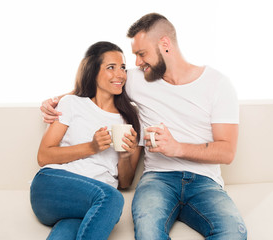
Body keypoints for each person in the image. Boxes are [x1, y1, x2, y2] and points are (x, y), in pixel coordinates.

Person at [40, 13, 247, 240]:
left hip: (205, 182)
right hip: (158, 178)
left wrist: (176, 148)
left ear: (164, 45)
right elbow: (98, 83)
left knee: (233, 233)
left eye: (142, 54)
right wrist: (56, 100)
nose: (137, 63)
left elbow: (227, 152)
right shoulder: (138, 79)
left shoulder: (217, 84)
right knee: (148, 232)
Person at [31, 41, 142, 240]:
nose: (120, 74)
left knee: (65, 233)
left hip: (89, 201)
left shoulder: (131, 116)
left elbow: (125, 182)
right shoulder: (71, 103)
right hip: (53, 186)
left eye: (123, 68)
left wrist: (125, 156)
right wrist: (91, 147)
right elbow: (44, 156)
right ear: (93, 70)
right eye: (111, 67)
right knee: (111, 198)